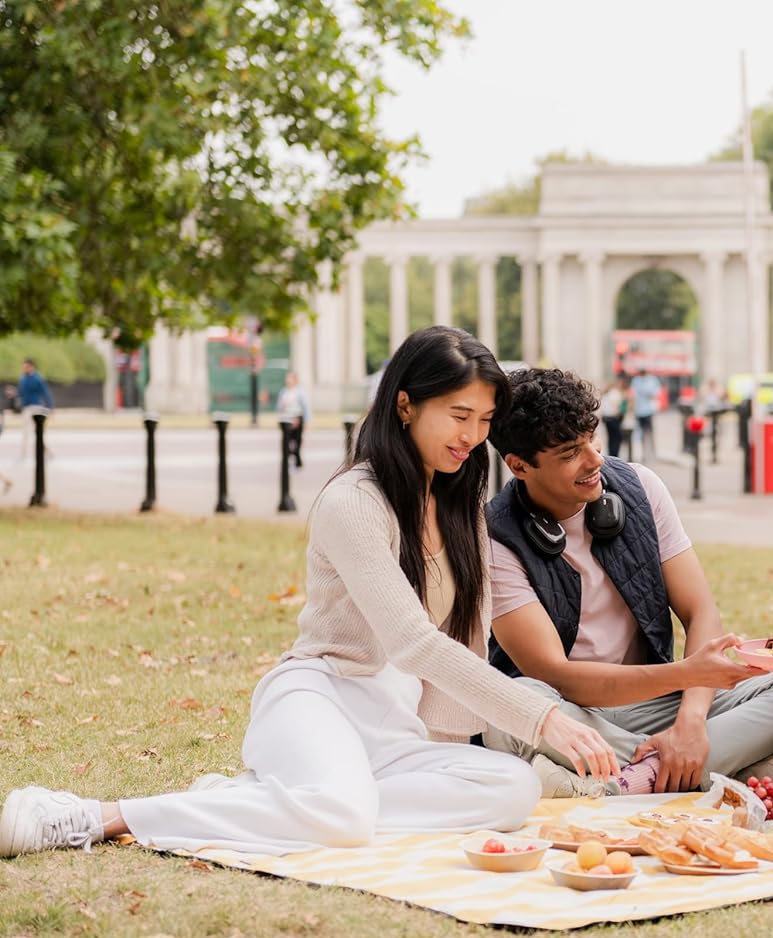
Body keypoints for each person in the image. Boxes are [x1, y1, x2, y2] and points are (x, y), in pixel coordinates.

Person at [0, 327, 617, 859]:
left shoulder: (462, 510)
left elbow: (464, 638)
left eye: (484, 422)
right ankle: (103, 815)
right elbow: (412, 642)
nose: (472, 436)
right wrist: (544, 719)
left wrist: (445, 750)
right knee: (344, 820)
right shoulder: (354, 500)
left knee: (511, 788)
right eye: (459, 416)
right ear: (406, 405)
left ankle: (259, 802)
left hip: (390, 725)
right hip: (316, 697)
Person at [482, 368, 773, 797]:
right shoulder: (495, 538)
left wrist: (691, 719)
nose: (595, 460)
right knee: (511, 705)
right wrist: (684, 673)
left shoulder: (642, 486)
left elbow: (701, 610)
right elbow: (556, 674)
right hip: (572, 715)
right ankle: (714, 770)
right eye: (572, 452)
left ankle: (625, 782)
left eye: (593, 439)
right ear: (519, 466)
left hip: (655, 701)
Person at [275, 371, 312, 468]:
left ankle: (297, 460)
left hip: (297, 418)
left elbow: (305, 407)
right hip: (285, 419)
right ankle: (286, 461)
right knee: (286, 442)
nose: (287, 380)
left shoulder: (300, 392)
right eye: (287, 378)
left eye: (289, 378)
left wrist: (306, 420)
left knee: (297, 441)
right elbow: (279, 406)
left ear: (295, 380)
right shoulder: (284, 391)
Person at [629, 369, 662, 463]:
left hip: (649, 410)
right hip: (639, 411)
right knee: (640, 433)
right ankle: (643, 453)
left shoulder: (652, 380)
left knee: (650, 433)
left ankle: (652, 453)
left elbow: (656, 392)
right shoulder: (636, 380)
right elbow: (633, 394)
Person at [598, 376, 628, 458]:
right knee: (617, 438)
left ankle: (611, 454)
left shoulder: (605, 394)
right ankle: (615, 455)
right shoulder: (615, 393)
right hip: (614, 418)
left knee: (610, 437)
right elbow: (617, 405)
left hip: (606, 418)